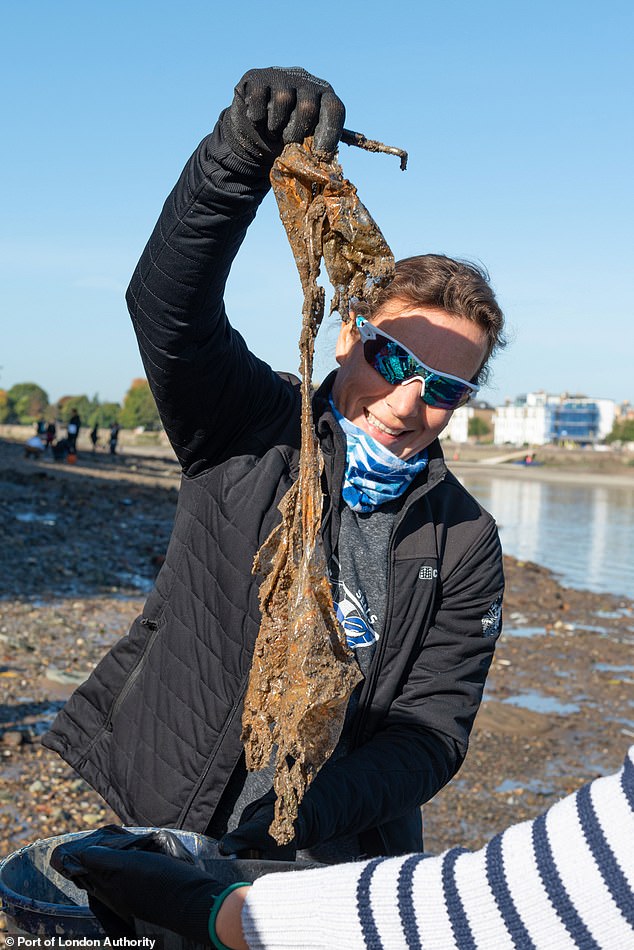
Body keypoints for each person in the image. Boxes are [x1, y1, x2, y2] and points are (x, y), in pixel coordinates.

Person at [43, 67, 506, 864]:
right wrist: (237, 154)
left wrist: (292, 821)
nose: (406, 402)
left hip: (329, 857)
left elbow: (431, 733)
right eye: (393, 358)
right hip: (163, 807)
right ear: (347, 335)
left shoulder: (465, 541)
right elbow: (167, 309)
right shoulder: (252, 427)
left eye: (444, 388)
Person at [51, 745, 634, 949]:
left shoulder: (466, 537)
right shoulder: (259, 469)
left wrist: (215, 911)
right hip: (197, 808)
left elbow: (500, 910)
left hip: (325, 858)